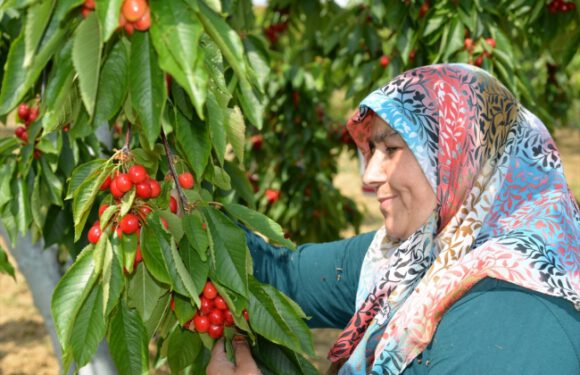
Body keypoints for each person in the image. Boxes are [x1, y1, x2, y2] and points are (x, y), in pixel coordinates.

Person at [208, 63, 580, 374]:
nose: (369, 176)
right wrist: (176, 203)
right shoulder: (415, 257)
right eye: (372, 150)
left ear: (459, 158)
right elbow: (278, 275)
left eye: (391, 148)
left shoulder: (511, 315)